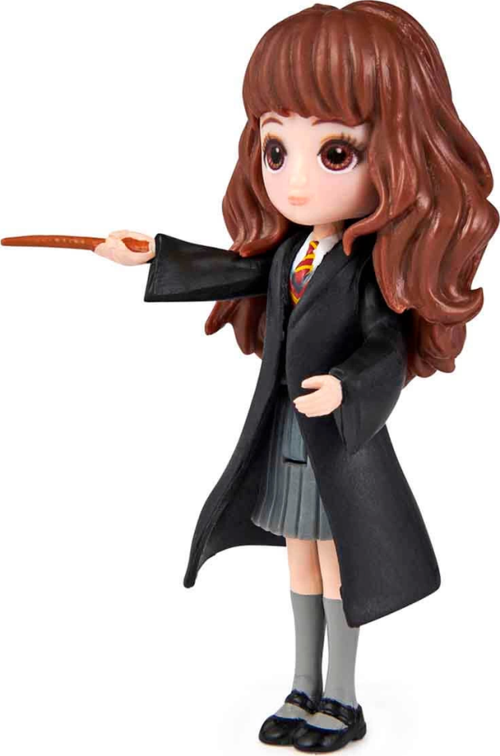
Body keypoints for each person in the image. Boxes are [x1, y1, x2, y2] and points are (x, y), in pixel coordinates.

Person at [54, 2, 500, 752]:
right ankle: (302, 684)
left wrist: (348, 388)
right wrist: (154, 253)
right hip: (289, 435)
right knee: (299, 556)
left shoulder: (367, 268)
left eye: (335, 153)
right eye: (274, 149)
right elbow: (234, 269)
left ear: (397, 154)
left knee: (340, 563)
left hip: (340, 441)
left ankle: (343, 698)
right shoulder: (292, 252)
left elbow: (386, 346)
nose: (294, 183)